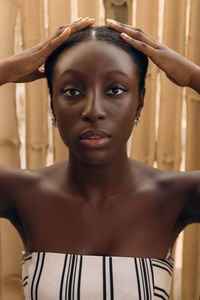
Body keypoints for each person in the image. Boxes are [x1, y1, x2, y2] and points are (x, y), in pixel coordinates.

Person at [0, 16, 200, 300]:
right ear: (52, 104)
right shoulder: (19, 192)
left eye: (115, 90)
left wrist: (193, 76)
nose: (93, 110)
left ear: (139, 100)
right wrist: (4, 71)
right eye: (72, 91)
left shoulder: (177, 196)